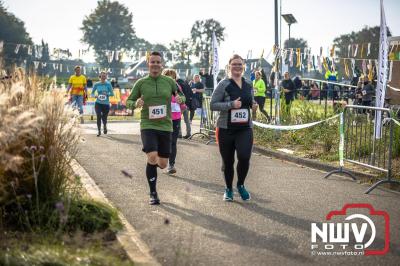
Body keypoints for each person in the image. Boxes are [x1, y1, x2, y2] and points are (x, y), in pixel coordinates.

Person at [126, 51, 180, 205]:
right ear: (148, 64)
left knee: (162, 164)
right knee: (152, 156)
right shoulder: (141, 83)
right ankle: (153, 192)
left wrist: (180, 99)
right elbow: (129, 101)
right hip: (148, 125)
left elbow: (181, 95)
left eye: (158, 62)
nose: (155, 65)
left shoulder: (169, 82)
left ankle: (154, 164)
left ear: (161, 64)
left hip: (165, 126)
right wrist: (135, 104)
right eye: (152, 62)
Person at [210, 54, 258, 201]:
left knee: (244, 157)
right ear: (229, 66)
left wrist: (254, 106)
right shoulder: (223, 84)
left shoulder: (249, 83)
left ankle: (241, 185)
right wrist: (231, 105)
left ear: (243, 66)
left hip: (245, 129)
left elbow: (251, 101)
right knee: (228, 161)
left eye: (240, 64)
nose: (237, 67)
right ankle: (228, 189)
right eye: (234, 64)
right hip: (226, 129)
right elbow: (213, 104)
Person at [161, 69, 186, 174]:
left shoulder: (177, 87)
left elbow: (183, 100)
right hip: (162, 118)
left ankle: (171, 165)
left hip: (175, 118)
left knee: (173, 142)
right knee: (162, 141)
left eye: (173, 77)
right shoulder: (161, 87)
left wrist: (180, 102)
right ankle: (161, 159)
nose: (171, 79)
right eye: (168, 76)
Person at [91, 71, 114, 137]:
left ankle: (104, 126)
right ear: (100, 76)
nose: (103, 77)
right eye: (102, 76)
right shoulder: (96, 84)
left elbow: (112, 94)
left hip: (106, 104)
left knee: (104, 118)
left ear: (106, 77)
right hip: (98, 103)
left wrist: (107, 94)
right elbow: (92, 93)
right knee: (98, 116)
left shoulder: (108, 84)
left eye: (105, 76)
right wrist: (95, 96)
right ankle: (99, 131)